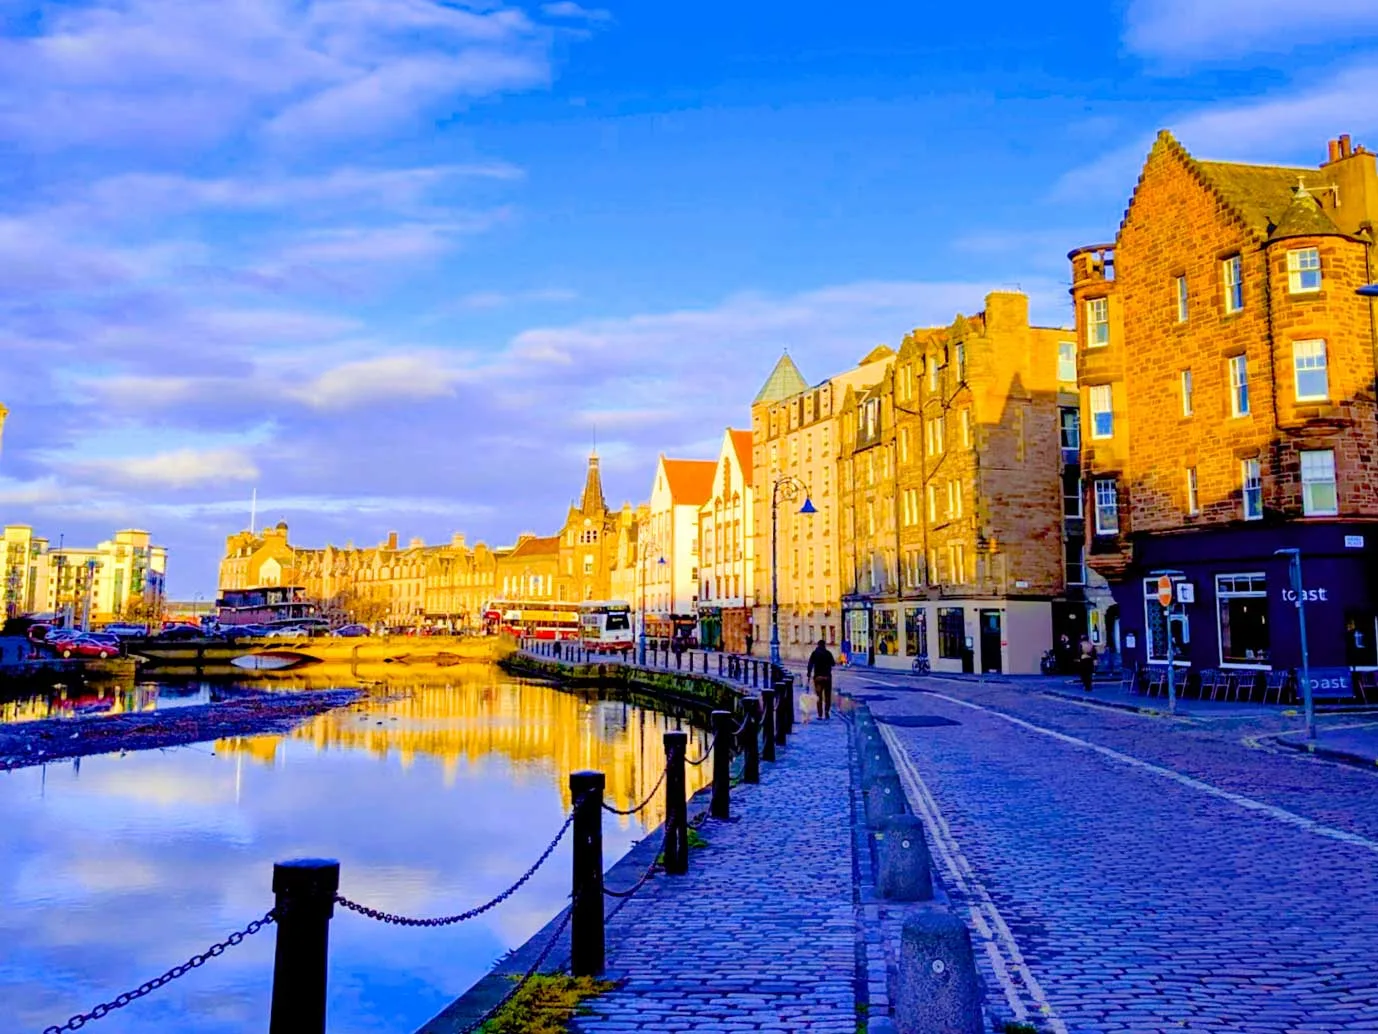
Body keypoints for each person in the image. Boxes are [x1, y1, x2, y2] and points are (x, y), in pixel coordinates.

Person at [807, 638, 836, 719]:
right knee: (827, 696)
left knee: (819, 696)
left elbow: (810, 664)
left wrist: (808, 674)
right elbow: (833, 663)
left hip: (818, 678)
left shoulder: (815, 653)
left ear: (818, 645)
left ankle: (820, 714)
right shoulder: (828, 653)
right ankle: (826, 711)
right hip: (827, 678)